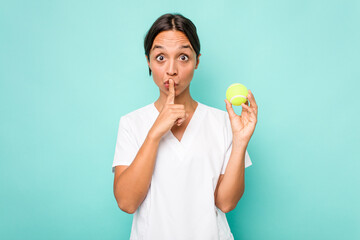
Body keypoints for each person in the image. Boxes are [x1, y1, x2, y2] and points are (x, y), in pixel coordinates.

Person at [112, 13, 258, 240]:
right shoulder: (132, 124)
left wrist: (240, 142)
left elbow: (226, 203)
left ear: (196, 61)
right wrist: (154, 134)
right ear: (148, 61)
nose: (171, 69)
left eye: (182, 57)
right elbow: (127, 202)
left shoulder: (222, 122)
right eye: (160, 57)